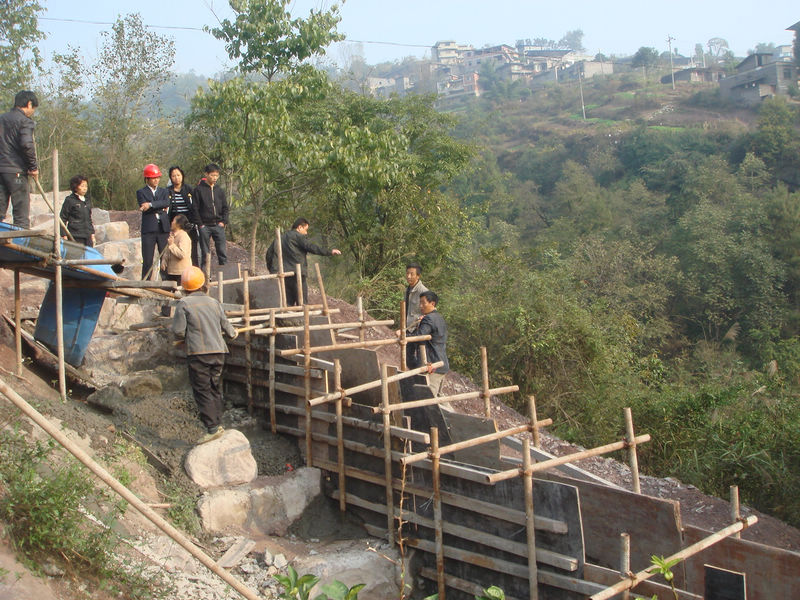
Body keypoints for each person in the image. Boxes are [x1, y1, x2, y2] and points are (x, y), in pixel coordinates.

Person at [171, 265, 238, 444]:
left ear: (184, 287)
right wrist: (233, 333)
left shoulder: (184, 304)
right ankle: (218, 423)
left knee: (202, 390)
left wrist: (184, 337)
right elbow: (228, 328)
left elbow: (178, 331)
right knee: (214, 387)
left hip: (199, 353)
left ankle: (212, 428)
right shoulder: (214, 302)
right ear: (203, 284)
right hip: (219, 352)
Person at [266, 217, 341, 307]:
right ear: (299, 227)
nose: (306, 233)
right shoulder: (297, 236)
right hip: (297, 274)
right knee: (302, 303)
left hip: (283, 275)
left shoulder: (279, 238)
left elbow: (269, 255)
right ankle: (302, 320)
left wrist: (272, 270)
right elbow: (311, 247)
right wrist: (329, 252)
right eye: (305, 230)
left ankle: (288, 320)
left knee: (287, 303)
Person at [0, 91, 39, 228]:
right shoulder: (25, 122)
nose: (32, 112)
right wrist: (33, 167)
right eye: (33, 109)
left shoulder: (1, 118)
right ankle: (21, 243)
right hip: (16, 171)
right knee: (21, 213)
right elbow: (27, 145)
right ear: (29, 104)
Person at [411, 290, 450, 396]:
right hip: (441, 363)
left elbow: (419, 336)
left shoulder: (429, 319)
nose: (421, 306)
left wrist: (403, 335)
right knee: (437, 398)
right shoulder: (439, 318)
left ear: (432, 303)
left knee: (429, 400)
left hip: (432, 365)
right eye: (420, 303)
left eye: (423, 303)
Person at [137, 163, 170, 280]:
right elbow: (143, 205)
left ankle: (167, 282)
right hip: (149, 229)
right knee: (147, 258)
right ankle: (145, 282)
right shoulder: (141, 192)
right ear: (147, 179)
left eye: (157, 178)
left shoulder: (164, 191)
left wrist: (150, 204)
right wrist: (159, 206)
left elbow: (166, 202)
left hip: (163, 228)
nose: (156, 180)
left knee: (165, 257)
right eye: (153, 178)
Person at [194, 163, 229, 268]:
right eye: (212, 175)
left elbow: (225, 207)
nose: (214, 178)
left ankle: (224, 277)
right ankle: (205, 277)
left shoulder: (219, 190)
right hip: (205, 226)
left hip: (218, 225)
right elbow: (195, 209)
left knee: (222, 252)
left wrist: (223, 221)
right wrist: (200, 225)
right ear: (206, 174)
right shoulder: (199, 190)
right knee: (205, 253)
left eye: (216, 175)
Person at [395, 262, 428, 367]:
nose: (408, 276)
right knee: (408, 357)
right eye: (407, 273)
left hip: (418, 328)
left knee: (421, 357)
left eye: (412, 274)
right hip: (408, 328)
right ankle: (414, 376)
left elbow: (429, 310)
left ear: (418, 276)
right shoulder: (408, 289)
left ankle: (421, 377)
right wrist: (402, 327)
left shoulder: (423, 291)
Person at [167, 165, 200, 266]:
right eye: (173, 176)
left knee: (192, 250)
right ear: (170, 177)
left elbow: (195, 206)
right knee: (176, 248)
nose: (176, 178)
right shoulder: (168, 191)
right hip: (175, 224)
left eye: (178, 175)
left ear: (182, 176)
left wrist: (195, 222)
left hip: (188, 223)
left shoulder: (189, 189)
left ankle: (194, 273)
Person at [160, 214, 193, 316]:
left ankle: (183, 315)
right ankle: (165, 314)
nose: (172, 222)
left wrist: (172, 245)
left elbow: (182, 254)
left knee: (180, 295)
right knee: (165, 293)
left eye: (174, 221)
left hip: (181, 271)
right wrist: (164, 261)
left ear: (179, 224)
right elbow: (167, 250)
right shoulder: (173, 235)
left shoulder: (184, 237)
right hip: (171, 270)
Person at [59, 175, 95, 246]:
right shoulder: (70, 200)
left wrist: (92, 234)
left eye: (86, 186)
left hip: (87, 236)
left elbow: (89, 218)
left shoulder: (87, 200)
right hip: (75, 236)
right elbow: (62, 218)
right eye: (82, 186)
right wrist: (63, 235)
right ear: (75, 187)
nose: (84, 188)